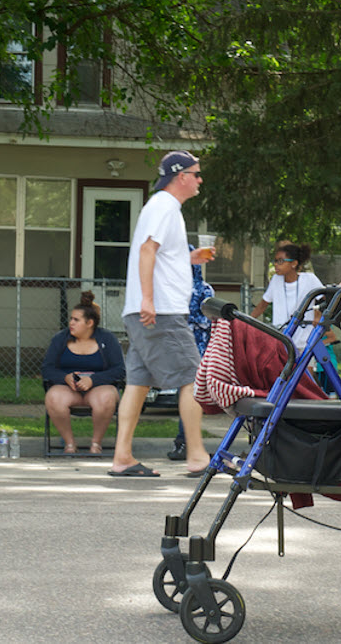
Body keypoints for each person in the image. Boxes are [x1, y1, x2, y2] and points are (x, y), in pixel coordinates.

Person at [116, 150, 212, 477]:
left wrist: (190, 259)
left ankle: (122, 457)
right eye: (196, 174)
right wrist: (148, 300)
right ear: (180, 175)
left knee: (138, 382)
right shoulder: (164, 206)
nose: (200, 180)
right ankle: (198, 456)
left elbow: (161, 257)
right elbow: (147, 250)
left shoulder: (162, 207)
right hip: (161, 312)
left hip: (148, 310)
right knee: (192, 378)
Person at [41, 291, 125, 454]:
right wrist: (65, 377)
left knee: (106, 398)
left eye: (76, 320)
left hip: (99, 388)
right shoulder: (60, 339)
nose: (71, 323)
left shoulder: (107, 339)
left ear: (89, 323)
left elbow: (119, 370)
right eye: (71, 319)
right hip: (68, 388)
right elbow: (47, 368)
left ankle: (96, 444)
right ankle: (70, 444)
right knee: (53, 397)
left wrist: (94, 379)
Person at [168, 244, 214, 461]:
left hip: (185, 347)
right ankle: (187, 443)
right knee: (190, 394)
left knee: (188, 393)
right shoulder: (204, 290)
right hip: (199, 348)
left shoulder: (176, 289)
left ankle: (184, 443)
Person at [250, 243, 324, 353]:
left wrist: (317, 315)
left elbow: (322, 298)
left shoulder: (309, 279)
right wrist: (246, 321)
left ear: (294, 263)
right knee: (281, 369)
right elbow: (262, 305)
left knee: (305, 369)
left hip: (304, 337)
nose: (275, 265)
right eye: (275, 261)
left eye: (280, 261)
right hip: (281, 337)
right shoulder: (276, 280)